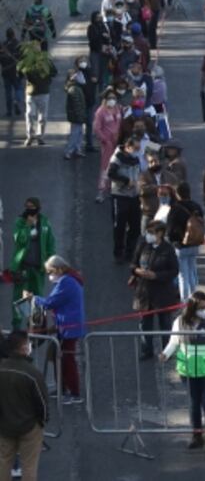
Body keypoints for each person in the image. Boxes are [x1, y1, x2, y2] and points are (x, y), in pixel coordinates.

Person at [159, 291, 205, 448]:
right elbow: (173, 342)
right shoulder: (179, 322)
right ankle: (197, 435)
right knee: (194, 404)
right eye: (201, 307)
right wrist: (165, 354)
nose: (204, 310)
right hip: (188, 371)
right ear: (192, 308)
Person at [27, 256, 85, 404]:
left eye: (50, 271)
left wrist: (33, 298)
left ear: (59, 269)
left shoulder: (66, 283)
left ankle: (74, 392)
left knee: (67, 360)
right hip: (65, 326)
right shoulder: (69, 280)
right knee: (60, 358)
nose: (49, 275)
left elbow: (50, 303)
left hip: (68, 327)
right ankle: (62, 388)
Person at [0, 331, 49, 481]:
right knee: (29, 467)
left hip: (4, 426)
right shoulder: (32, 373)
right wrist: (43, 421)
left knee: (3, 463)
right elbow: (42, 403)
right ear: (23, 348)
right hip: (29, 427)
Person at [131, 220, 179, 360]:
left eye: (151, 233)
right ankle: (147, 350)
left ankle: (166, 351)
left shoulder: (168, 249)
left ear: (160, 234)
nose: (148, 235)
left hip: (162, 293)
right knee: (145, 324)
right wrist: (137, 271)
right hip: (144, 292)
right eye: (148, 232)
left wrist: (156, 275)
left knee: (165, 323)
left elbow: (174, 270)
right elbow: (133, 263)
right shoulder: (143, 244)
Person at [9, 197, 56, 330]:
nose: (29, 209)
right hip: (22, 268)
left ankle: (35, 327)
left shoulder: (45, 222)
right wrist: (27, 225)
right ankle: (17, 327)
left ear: (38, 208)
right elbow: (19, 239)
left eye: (32, 206)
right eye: (27, 206)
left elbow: (51, 244)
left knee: (37, 297)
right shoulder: (20, 222)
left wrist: (50, 262)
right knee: (19, 298)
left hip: (38, 268)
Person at [166, 182, 204, 300]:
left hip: (180, 246)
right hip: (195, 243)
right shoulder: (197, 206)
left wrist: (171, 241)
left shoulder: (175, 208)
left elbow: (170, 229)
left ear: (178, 194)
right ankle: (195, 299)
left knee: (183, 276)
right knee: (192, 271)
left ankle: (185, 302)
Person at [18, 41, 58, 146]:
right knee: (30, 114)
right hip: (31, 92)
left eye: (37, 48)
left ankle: (40, 136)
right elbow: (20, 75)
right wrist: (23, 69)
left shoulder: (46, 60)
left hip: (44, 92)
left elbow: (54, 72)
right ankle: (30, 136)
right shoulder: (27, 61)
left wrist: (46, 74)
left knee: (43, 117)